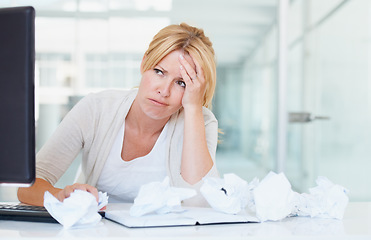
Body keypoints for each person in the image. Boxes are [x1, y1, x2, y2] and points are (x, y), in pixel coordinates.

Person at [18, 23, 219, 207]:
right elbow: (28, 186)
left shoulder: (200, 121)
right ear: (144, 63)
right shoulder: (96, 109)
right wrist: (61, 196)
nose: (164, 90)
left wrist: (193, 108)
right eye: (159, 72)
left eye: (181, 83)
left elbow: (200, 199)